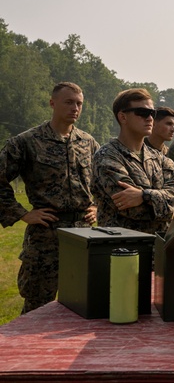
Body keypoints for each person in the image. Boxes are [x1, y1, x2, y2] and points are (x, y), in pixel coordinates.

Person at [0, 82, 100, 314]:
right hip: (46, 235)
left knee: (83, 306)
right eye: (69, 102)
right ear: (52, 103)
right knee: (37, 307)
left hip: (83, 234)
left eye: (79, 104)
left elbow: (103, 182)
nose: (75, 108)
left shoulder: (88, 143)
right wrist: (23, 213)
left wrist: (96, 206)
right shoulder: (26, 142)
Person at [92, 88, 174, 234]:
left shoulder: (160, 158)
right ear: (123, 117)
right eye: (142, 113)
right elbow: (130, 209)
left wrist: (144, 196)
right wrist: (164, 205)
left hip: (158, 249)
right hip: (122, 247)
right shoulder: (107, 156)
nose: (149, 118)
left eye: (152, 113)